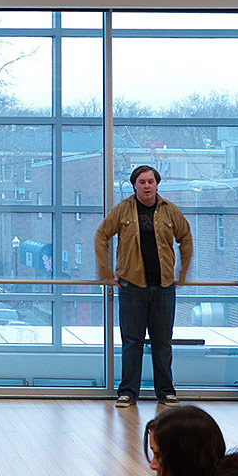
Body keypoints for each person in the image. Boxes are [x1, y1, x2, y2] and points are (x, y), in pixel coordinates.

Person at [95, 164, 193, 408]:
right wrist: (106, 273)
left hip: (163, 287)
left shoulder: (170, 210)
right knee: (132, 342)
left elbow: (186, 237)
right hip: (131, 288)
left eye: (151, 181)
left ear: (156, 184)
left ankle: (166, 392)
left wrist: (182, 271)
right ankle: (128, 392)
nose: (147, 185)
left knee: (162, 342)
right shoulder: (122, 210)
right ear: (134, 186)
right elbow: (101, 236)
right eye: (142, 182)